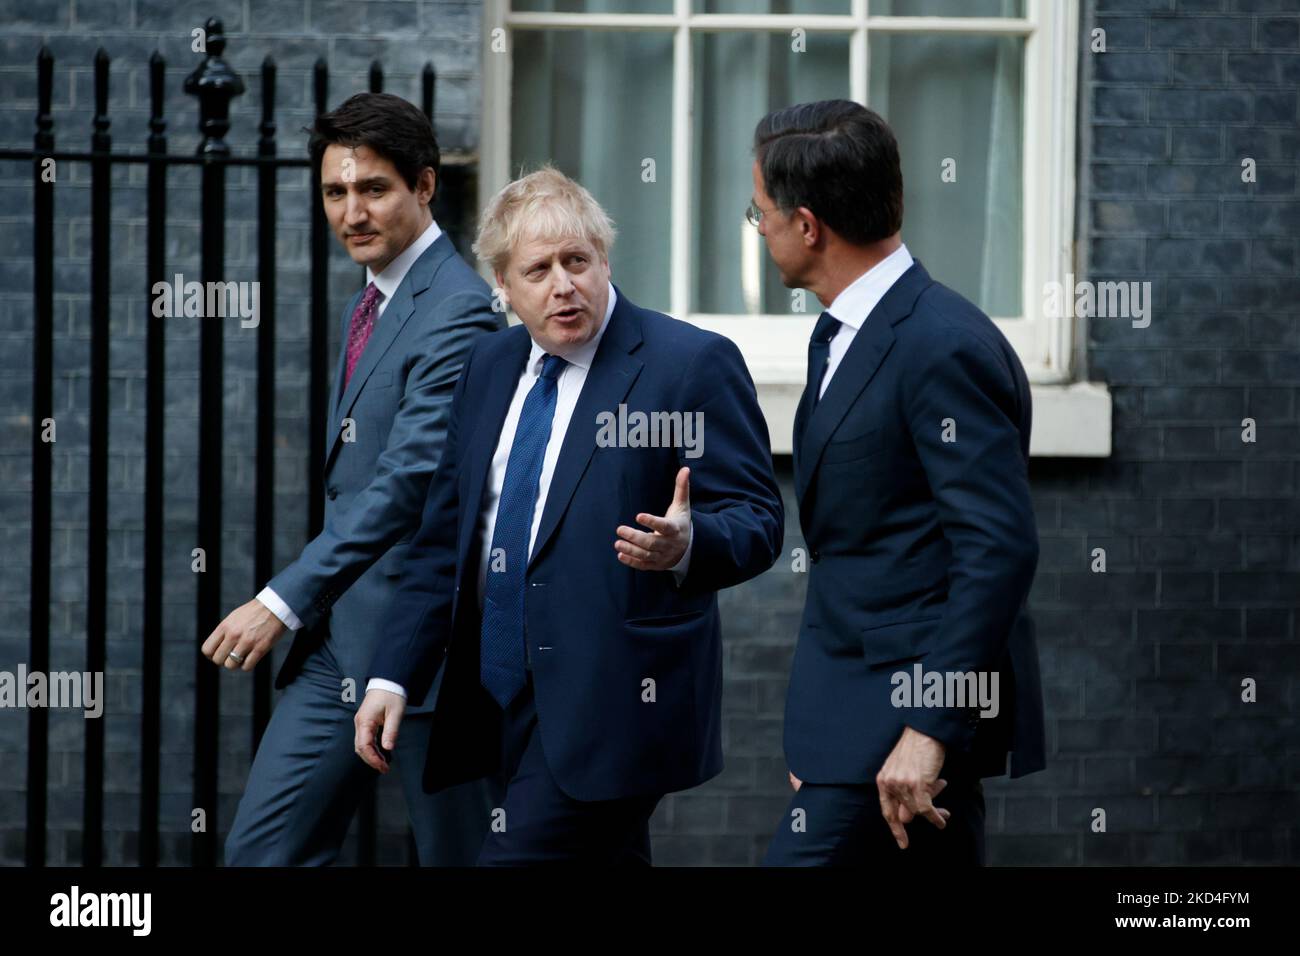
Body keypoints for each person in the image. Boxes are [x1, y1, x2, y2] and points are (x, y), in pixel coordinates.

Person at [354, 166, 784, 865]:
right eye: (539, 269)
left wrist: (686, 544)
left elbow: (759, 519)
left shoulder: (688, 365)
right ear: (503, 286)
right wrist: (390, 675)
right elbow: (443, 540)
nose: (563, 284)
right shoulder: (489, 367)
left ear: (604, 261)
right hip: (492, 699)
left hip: (610, 703)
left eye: (578, 261)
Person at [201, 92, 504, 865]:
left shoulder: (460, 311)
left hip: (425, 646)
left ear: (425, 187)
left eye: (374, 189)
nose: (352, 212)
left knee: (462, 858)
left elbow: (408, 483)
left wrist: (282, 601)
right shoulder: (369, 302)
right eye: (336, 192)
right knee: (261, 855)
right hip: (341, 644)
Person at [751, 100, 1046, 866]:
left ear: (808, 225)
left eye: (760, 216)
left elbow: (998, 548)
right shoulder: (840, 333)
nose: (760, 231)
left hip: (902, 727)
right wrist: (823, 736)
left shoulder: (941, 346)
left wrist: (930, 729)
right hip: (852, 728)